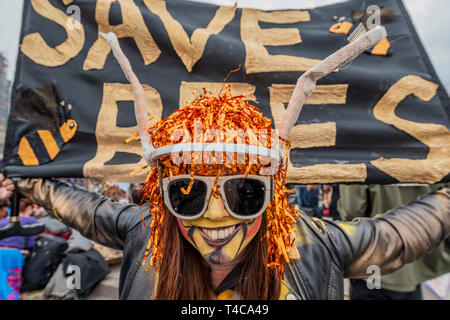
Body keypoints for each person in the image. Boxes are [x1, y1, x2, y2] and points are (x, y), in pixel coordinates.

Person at [4, 27, 450, 300]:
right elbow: (75, 206)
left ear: (271, 198)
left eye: (243, 192)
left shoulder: (313, 245)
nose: (215, 213)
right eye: (187, 192)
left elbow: (395, 237)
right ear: (162, 200)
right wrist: (22, 177)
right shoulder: (144, 232)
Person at [338, 184, 450, 300]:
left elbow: (351, 212)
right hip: (417, 263)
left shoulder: (358, 165)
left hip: (374, 268)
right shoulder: (439, 164)